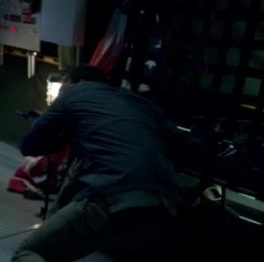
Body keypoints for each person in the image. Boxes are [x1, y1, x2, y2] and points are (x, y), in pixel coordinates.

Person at [11, 65, 179, 262]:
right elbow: (185, 145)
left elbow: (29, 145)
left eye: (64, 83)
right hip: (164, 209)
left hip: (112, 199)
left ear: (77, 82)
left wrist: (60, 135)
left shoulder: (74, 92)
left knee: (29, 253)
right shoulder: (142, 103)